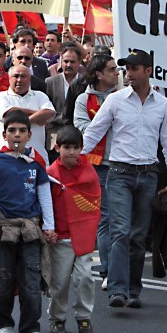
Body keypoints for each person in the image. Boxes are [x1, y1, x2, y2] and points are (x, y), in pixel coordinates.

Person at [80, 49, 167, 308]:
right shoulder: (115, 101)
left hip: (148, 175)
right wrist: (71, 160)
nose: (129, 74)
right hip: (119, 173)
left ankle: (134, 288)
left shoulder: (164, 105)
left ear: (148, 71)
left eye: (135, 69)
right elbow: (93, 133)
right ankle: (117, 289)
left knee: (138, 236)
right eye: (126, 69)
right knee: (120, 232)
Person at [0, 110, 55, 333]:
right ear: (4, 134)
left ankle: (31, 328)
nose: (17, 135)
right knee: (2, 279)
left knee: (31, 280)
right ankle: (3, 322)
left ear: (30, 135)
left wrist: (49, 225)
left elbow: (45, 194)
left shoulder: (36, 163)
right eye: (12, 131)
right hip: (3, 228)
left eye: (22, 131)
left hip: (30, 229)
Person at [46, 126, 100, 333]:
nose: (71, 152)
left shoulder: (90, 173)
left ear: (82, 149)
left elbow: (94, 203)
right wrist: (47, 229)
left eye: (76, 147)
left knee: (86, 277)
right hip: (61, 236)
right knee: (59, 282)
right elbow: (45, 203)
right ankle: (57, 318)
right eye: (66, 147)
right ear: (57, 148)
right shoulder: (50, 174)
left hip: (84, 235)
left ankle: (83, 316)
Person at [73, 53, 117, 289]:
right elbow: (81, 128)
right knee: (106, 219)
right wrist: (107, 118)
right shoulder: (83, 99)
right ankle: (110, 271)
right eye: (111, 69)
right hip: (98, 165)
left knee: (124, 220)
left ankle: (122, 269)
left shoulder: (124, 96)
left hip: (123, 163)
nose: (117, 73)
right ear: (99, 74)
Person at [0, 65, 55, 165]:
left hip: (37, 159)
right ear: (9, 78)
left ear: (30, 78)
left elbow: (50, 112)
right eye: (16, 76)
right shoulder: (2, 96)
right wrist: (37, 114)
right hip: (8, 159)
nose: (19, 80)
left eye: (23, 76)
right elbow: (9, 113)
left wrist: (25, 120)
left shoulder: (40, 95)